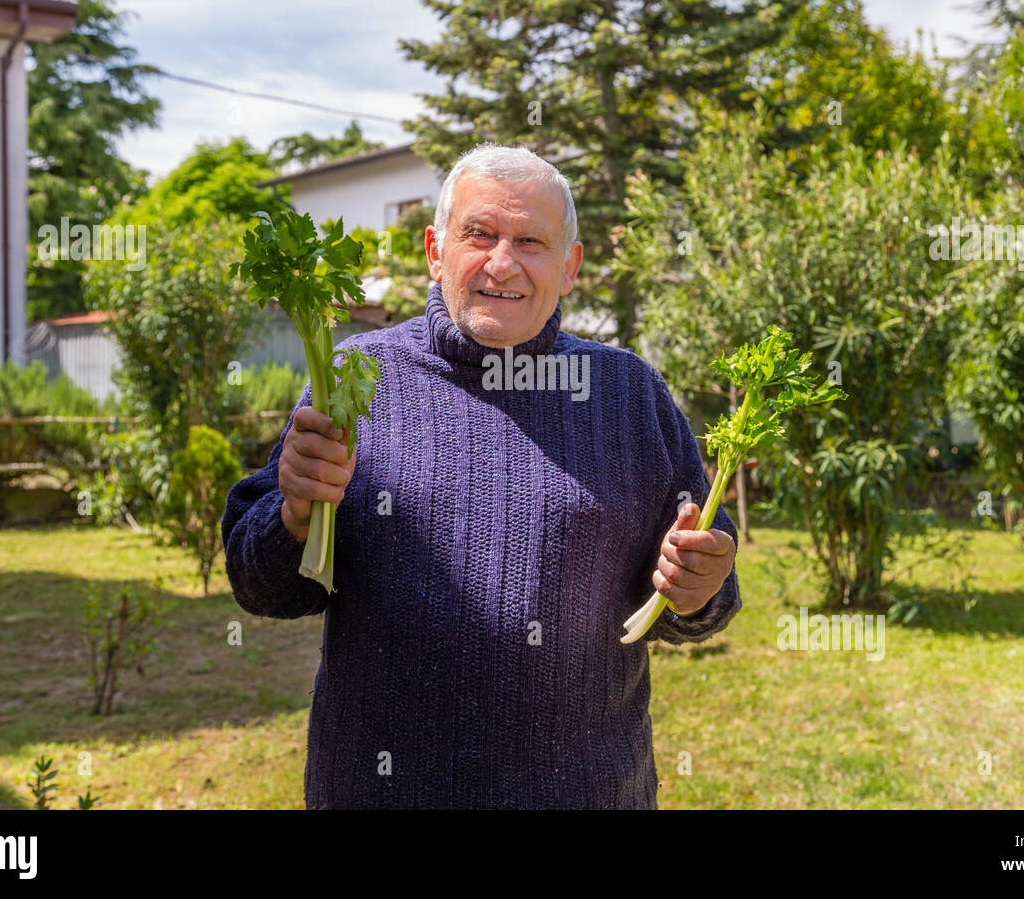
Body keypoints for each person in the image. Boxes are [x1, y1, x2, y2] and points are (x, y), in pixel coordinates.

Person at [221, 142, 741, 809]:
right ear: (436, 252)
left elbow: (699, 595)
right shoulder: (355, 377)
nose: (502, 262)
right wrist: (292, 515)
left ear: (570, 266)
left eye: (530, 241)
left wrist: (699, 588)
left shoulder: (629, 394)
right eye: (480, 234)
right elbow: (261, 586)